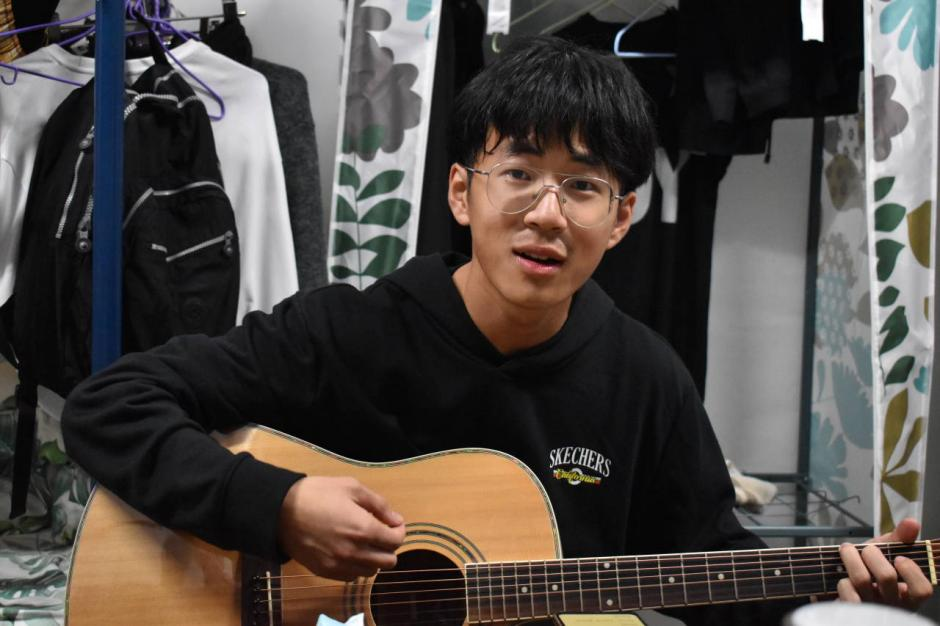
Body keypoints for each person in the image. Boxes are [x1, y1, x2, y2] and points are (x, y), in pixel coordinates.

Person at [62, 36, 932, 625]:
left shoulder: (645, 377)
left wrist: (835, 590)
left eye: (582, 186)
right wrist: (276, 507)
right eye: (518, 172)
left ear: (621, 218)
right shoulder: (347, 331)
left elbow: (710, 565)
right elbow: (109, 406)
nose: (546, 213)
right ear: (460, 193)